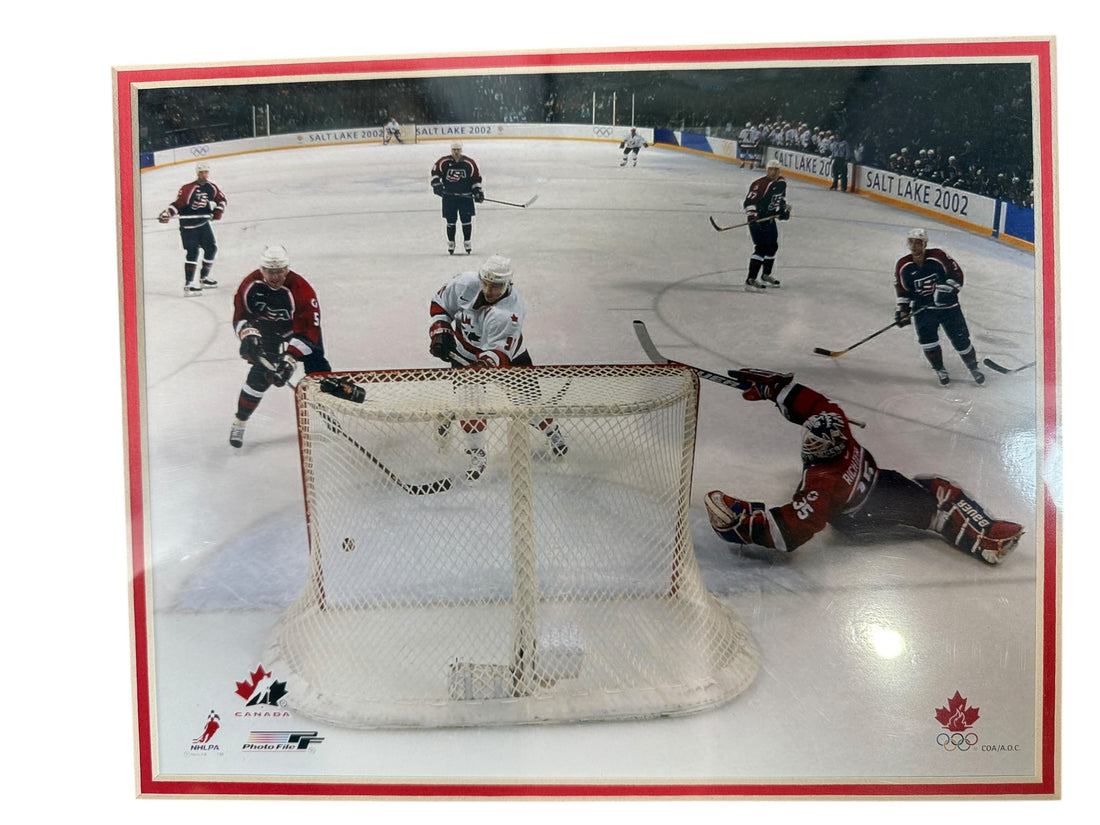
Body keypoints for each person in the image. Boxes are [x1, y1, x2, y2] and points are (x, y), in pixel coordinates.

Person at [704, 369, 1022, 565]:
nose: (808, 445)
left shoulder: (824, 482)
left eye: (814, 444)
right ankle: (982, 534)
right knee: (932, 487)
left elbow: (791, 531)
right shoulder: (838, 431)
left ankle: (985, 542)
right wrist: (776, 390)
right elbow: (818, 407)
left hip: (862, 514)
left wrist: (742, 525)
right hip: (872, 494)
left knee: (936, 498)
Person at [428, 254, 567, 480]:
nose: (488, 290)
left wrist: (482, 364)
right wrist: (440, 330)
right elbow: (440, 304)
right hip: (464, 351)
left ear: (508, 284)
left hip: (509, 358)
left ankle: (553, 433)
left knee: (529, 405)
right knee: (470, 406)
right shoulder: (464, 283)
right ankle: (477, 456)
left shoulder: (509, 313)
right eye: (485, 283)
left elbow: (498, 354)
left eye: (496, 286)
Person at [228, 245, 332, 449]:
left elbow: (309, 330)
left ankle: (327, 408)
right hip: (268, 331)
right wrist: (249, 336)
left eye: (279, 271)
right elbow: (241, 316)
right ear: (262, 269)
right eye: (270, 271)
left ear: (287, 269)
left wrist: (290, 360)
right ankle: (239, 421)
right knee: (259, 376)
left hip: (297, 330)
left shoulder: (302, 290)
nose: (275, 277)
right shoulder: (249, 285)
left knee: (318, 365)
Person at [893, 228, 985, 386]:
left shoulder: (938, 256)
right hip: (924, 309)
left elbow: (957, 275)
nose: (914, 246)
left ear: (925, 244)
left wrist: (945, 292)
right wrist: (903, 310)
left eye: (918, 243)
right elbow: (903, 290)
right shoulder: (904, 265)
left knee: (961, 339)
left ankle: (973, 368)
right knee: (928, 341)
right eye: (911, 242)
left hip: (948, 307)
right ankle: (939, 368)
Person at [158, 161, 227, 296]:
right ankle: (189, 284)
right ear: (197, 173)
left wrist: (218, 210)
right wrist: (167, 214)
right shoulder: (188, 188)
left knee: (211, 248)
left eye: (206, 172)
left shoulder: (211, 187)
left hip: (203, 223)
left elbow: (222, 199)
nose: (204, 175)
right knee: (193, 253)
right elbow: (178, 205)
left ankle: (204, 278)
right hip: (188, 226)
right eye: (202, 172)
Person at [742, 158, 792, 291]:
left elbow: (780, 200)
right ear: (767, 170)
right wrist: (752, 216)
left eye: (776, 170)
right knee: (761, 247)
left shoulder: (782, 183)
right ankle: (751, 279)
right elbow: (748, 202)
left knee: (772, 246)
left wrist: (782, 212)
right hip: (757, 221)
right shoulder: (760, 184)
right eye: (771, 169)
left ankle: (766, 274)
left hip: (769, 220)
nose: (774, 172)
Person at [430, 141, 483, 255]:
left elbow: (476, 178)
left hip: (466, 197)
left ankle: (467, 242)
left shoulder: (469, 163)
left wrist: (477, 191)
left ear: (461, 150)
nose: (456, 152)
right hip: (449, 198)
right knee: (450, 222)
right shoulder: (443, 162)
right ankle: (451, 243)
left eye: (458, 150)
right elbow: (435, 174)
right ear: (451, 150)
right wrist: (436, 185)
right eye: (454, 150)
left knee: (466, 221)